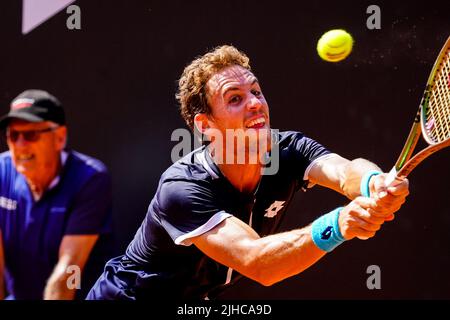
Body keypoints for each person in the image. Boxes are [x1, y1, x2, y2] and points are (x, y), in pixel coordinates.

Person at [87, 45, 409, 300]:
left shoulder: (287, 151)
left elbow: (345, 171)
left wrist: (373, 182)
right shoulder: (182, 188)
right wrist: (340, 224)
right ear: (206, 126)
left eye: (256, 91)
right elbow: (258, 262)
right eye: (235, 99)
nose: (255, 103)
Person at [0, 89, 113, 300]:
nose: (20, 145)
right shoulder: (1, 171)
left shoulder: (90, 178)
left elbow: (67, 275)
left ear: (60, 138)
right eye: (14, 135)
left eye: (31, 134)